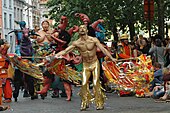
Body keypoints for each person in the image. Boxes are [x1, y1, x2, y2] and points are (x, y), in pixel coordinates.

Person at [54, 25, 117, 110]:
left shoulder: (93, 40)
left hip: (94, 63)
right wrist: (55, 55)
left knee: (95, 82)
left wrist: (111, 58)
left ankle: (99, 102)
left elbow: (103, 50)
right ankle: (85, 102)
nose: (82, 29)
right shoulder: (77, 43)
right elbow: (66, 51)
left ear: (87, 31)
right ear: (78, 31)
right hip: (86, 64)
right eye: (80, 28)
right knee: (83, 83)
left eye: (84, 28)